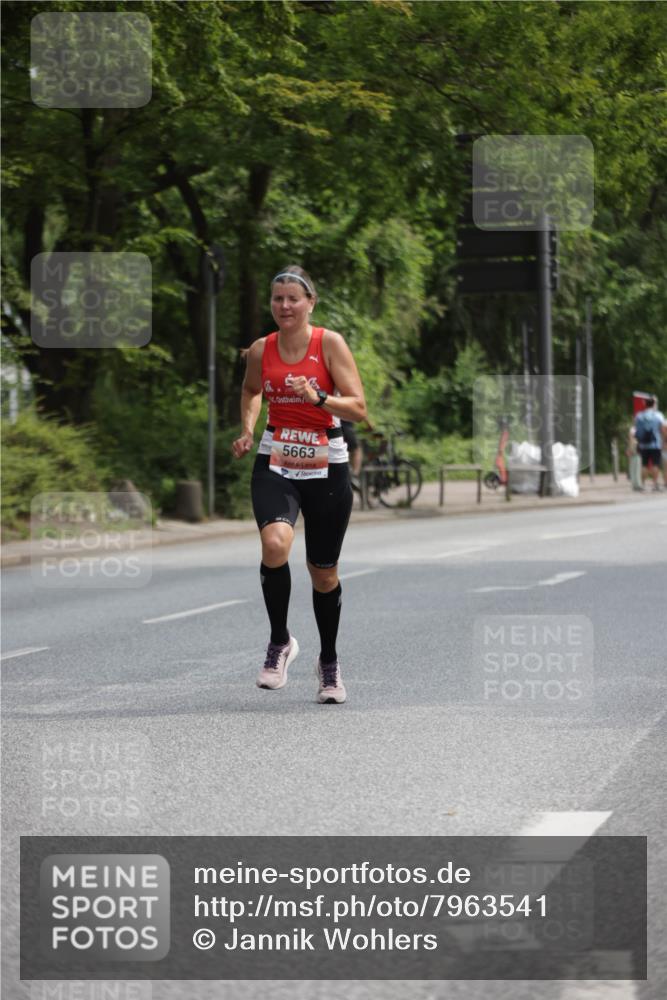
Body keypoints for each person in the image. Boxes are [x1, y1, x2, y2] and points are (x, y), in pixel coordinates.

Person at [232, 266, 367, 704]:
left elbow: (359, 409)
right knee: (275, 544)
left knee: (322, 573)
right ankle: (280, 642)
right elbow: (252, 390)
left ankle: (328, 662)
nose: (284, 307)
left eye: (293, 299)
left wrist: (319, 399)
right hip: (276, 459)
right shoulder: (260, 349)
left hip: (327, 462)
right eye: (277, 299)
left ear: (311, 302)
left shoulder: (329, 344)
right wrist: (249, 428)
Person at [633, 396, 664, 492]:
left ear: (645, 404)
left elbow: (636, 430)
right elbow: (663, 429)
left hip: (643, 444)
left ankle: (642, 485)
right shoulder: (658, 415)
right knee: (655, 464)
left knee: (644, 464)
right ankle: (655, 485)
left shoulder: (639, 416)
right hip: (655, 444)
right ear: (654, 404)